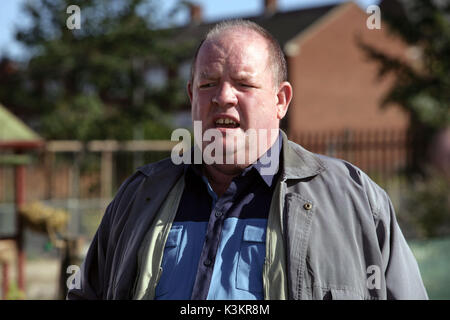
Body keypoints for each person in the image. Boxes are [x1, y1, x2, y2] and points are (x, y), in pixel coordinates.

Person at [67, 19, 428, 300]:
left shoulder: (356, 201)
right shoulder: (139, 196)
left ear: (281, 100)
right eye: (207, 84)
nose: (223, 96)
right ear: (192, 96)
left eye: (244, 83)